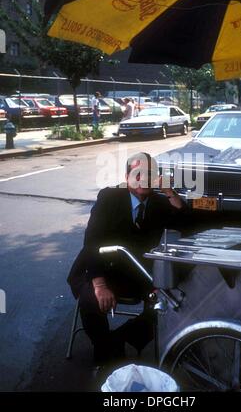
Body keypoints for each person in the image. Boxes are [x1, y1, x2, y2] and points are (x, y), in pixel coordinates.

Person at [67, 152, 190, 367]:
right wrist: (100, 284)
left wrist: (170, 192)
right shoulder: (109, 197)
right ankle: (106, 358)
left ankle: (118, 342)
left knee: (170, 301)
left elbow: (187, 223)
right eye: (138, 173)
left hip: (138, 272)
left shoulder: (159, 201)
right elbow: (92, 241)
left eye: (150, 174)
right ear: (127, 177)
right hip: (100, 268)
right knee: (90, 300)